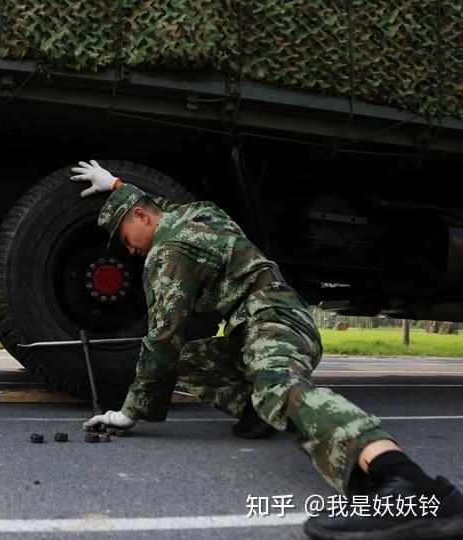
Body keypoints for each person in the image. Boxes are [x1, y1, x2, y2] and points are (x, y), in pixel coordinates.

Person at [70, 160, 463, 539]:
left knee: (280, 385)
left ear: (141, 217)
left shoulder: (166, 255)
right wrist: (117, 185)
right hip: (271, 319)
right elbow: (162, 208)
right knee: (184, 363)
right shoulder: (199, 213)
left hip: (271, 322)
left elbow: (163, 338)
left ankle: (408, 482)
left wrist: (129, 413)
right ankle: (258, 412)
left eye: (125, 238)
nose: (130, 251)